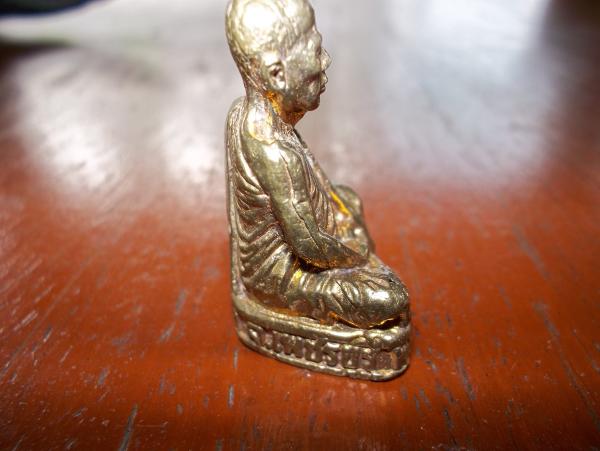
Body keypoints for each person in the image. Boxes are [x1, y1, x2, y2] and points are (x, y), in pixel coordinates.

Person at [225, 0, 409, 329]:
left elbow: (315, 185)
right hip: (285, 280)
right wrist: (358, 252)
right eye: (314, 51)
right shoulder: (276, 153)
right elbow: (310, 247)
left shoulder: (244, 113)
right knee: (390, 298)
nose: (325, 60)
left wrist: (342, 218)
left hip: (307, 245)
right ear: (277, 74)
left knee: (348, 198)